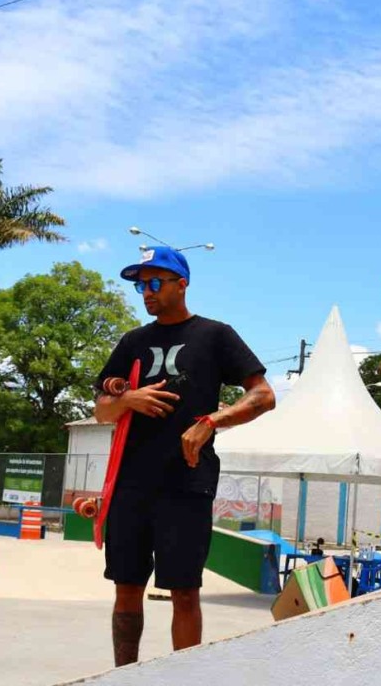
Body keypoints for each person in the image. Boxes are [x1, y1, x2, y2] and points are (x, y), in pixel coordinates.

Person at [94, 244, 275, 667]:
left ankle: (184, 677)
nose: (147, 292)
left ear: (182, 283)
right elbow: (102, 408)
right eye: (141, 285)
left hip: (186, 483)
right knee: (126, 586)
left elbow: (263, 396)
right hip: (130, 483)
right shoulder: (132, 342)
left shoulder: (214, 335)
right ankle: (126, 676)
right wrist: (128, 399)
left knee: (184, 590)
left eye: (156, 282)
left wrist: (212, 421)